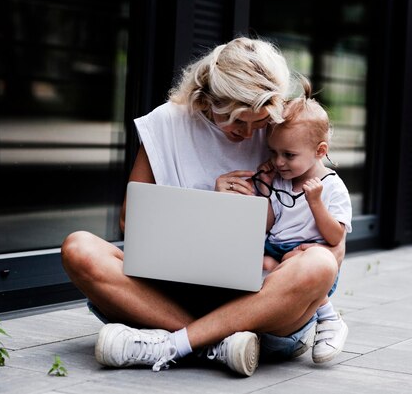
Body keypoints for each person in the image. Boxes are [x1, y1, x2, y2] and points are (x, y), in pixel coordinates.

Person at [60, 37, 345, 377]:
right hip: (171, 297)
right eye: (238, 121)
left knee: (320, 264)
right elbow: (130, 221)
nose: (250, 132)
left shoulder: (279, 128)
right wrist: (210, 200)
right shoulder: (166, 123)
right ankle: (215, 345)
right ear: (206, 99)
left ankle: (173, 343)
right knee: (78, 248)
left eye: (258, 123)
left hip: (261, 307)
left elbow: (330, 232)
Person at [252, 78, 352, 364]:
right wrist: (264, 188)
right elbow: (267, 226)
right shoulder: (281, 181)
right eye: (274, 153)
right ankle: (271, 320)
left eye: (289, 155)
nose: (279, 162)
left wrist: (316, 203)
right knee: (264, 264)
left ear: (320, 152)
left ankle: (329, 318)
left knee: (290, 266)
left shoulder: (332, 187)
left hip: (311, 259)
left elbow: (335, 238)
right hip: (276, 251)